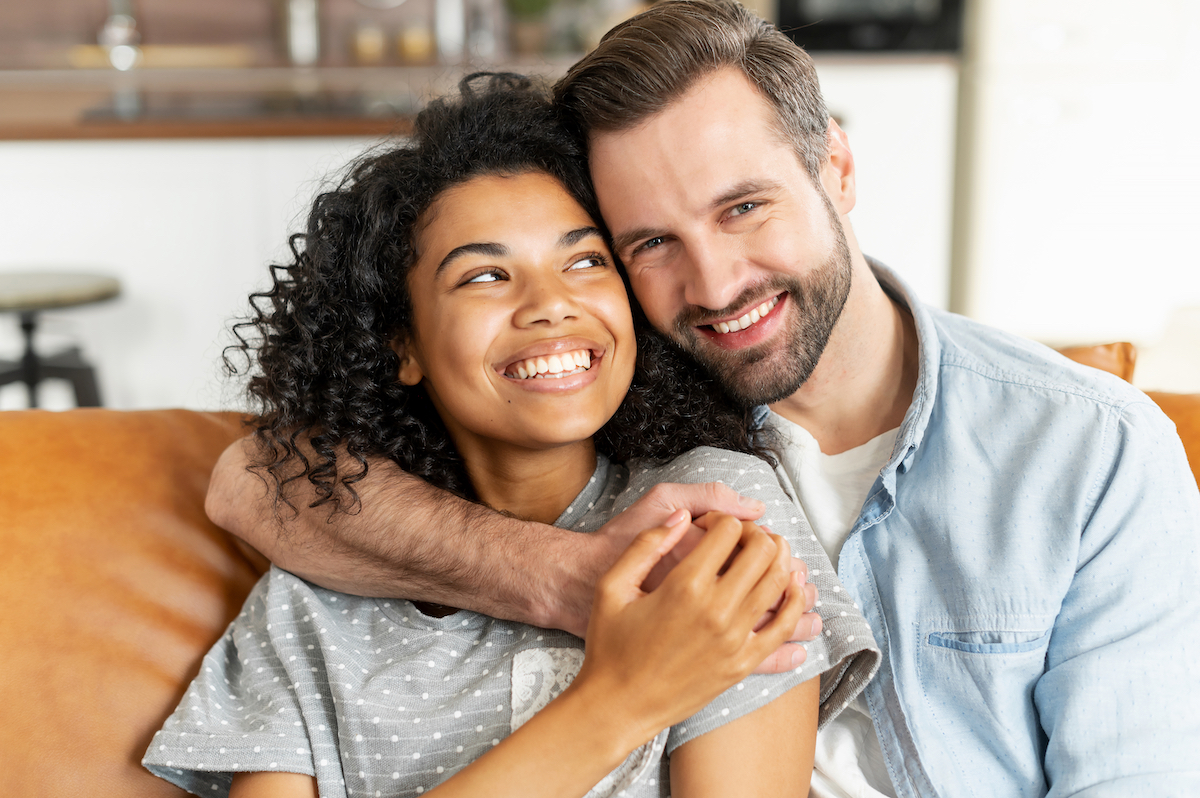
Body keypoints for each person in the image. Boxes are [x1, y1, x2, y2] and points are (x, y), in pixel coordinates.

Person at [206, 2, 1200, 795]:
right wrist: (566, 577)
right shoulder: (615, 405)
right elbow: (253, 483)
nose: (716, 283)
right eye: (648, 242)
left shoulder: (1087, 448)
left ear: (837, 169)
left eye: (745, 207)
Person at [145, 74, 879, 798]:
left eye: (585, 261)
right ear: (402, 344)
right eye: (485, 276)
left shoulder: (716, 520)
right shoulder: (318, 586)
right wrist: (619, 701)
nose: (549, 304)